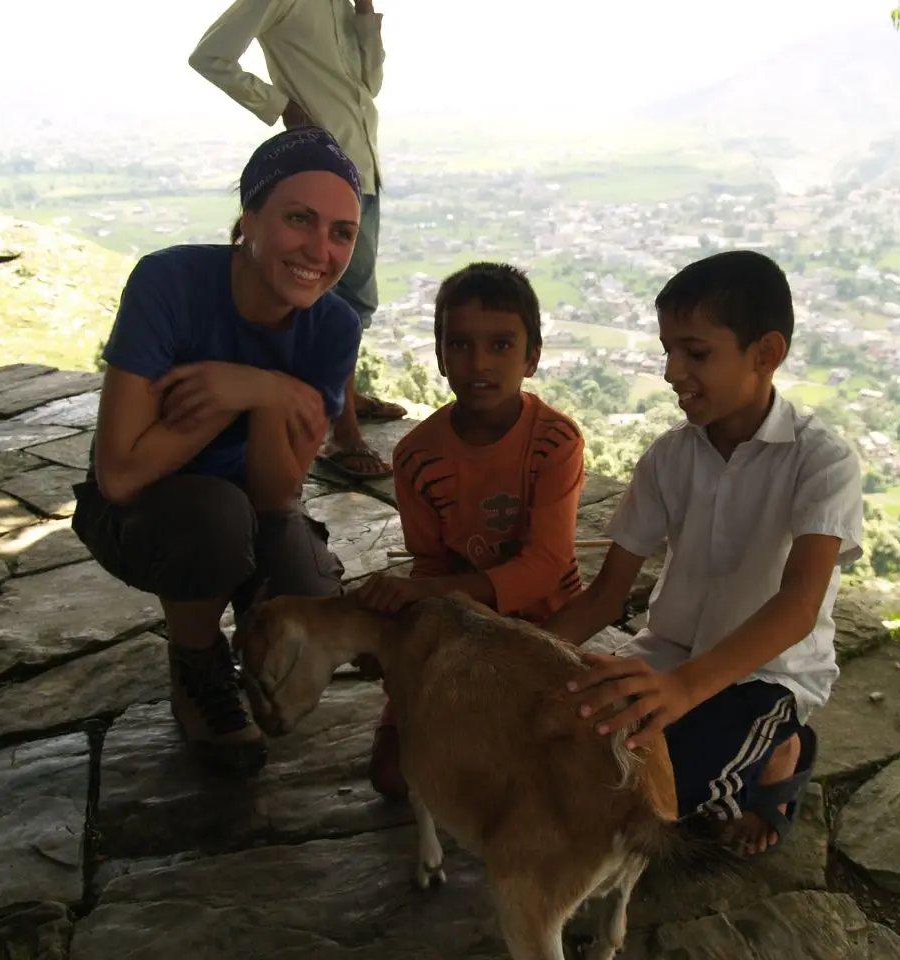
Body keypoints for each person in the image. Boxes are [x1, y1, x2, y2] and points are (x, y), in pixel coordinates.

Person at [542, 250, 864, 856]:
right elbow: (607, 595)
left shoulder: (821, 462)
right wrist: (523, 658)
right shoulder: (670, 457)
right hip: (667, 657)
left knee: (646, 805)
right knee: (561, 755)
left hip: (766, 675)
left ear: (766, 353)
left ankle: (782, 750)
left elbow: (799, 607)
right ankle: (728, 749)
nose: (671, 371)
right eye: (667, 350)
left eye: (695, 353)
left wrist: (686, 691)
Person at [71, 126, 367, 780]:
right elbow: (118, 474)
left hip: (245, 510)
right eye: (299, 219)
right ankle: (196, 661)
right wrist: (248, 393)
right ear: (249, 219)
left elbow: (276, 495)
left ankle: (232, 623)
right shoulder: (169, 283)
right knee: (213, 518)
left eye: (341, 232)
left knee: (308, 593)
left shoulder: (334, 326)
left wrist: (259, 393)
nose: (320, 249)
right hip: (146, 512)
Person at [355, 261, 587, 798]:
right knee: (392, 776)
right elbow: (431, 563)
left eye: (501, 345)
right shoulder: (416, 456)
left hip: (549, 628)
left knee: (556, 765)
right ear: (439, 356)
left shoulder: (554, 442)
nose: (479, 362)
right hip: (458, 630)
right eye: (459, 345)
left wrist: (424, 594)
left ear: (532, 357)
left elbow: (545, 567)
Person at [189, 0, 406, 484]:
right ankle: (340, 432)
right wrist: (280, 106)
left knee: (355, 300)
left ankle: (343, 394)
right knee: (330, 299)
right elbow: (210, 56)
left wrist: (365, 13)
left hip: (362, 171)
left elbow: (368, 85)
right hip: (320, 173)